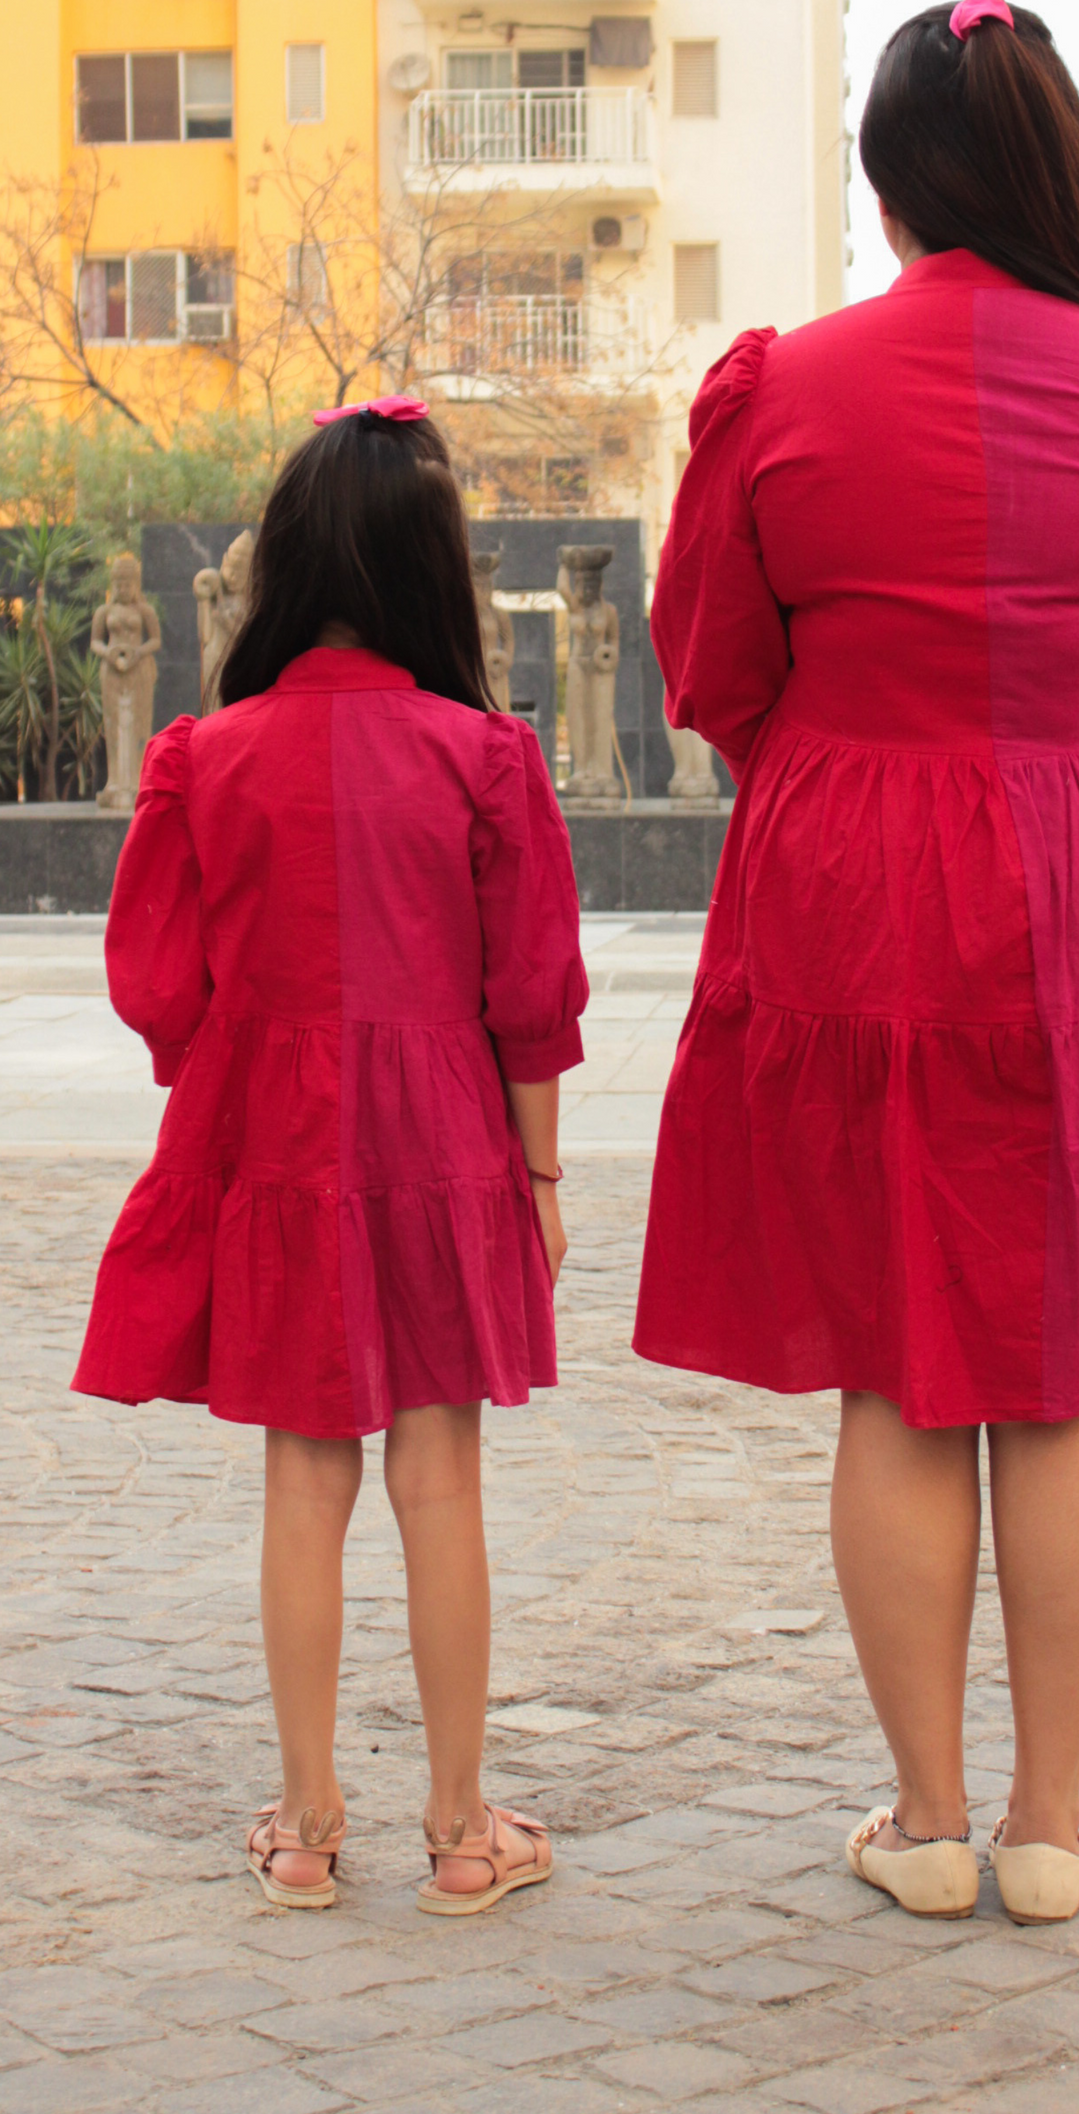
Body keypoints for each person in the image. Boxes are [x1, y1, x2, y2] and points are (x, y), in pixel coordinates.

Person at [634, 0, 1079, 1927]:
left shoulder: (780, 393)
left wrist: (856, 770)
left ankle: (923, 1827)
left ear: (887, 180)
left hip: (857, 879)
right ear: (1055, 162)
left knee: (900, 1364)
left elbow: (714, 670)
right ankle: (1052, 1828)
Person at [74, 396, 588, 1915]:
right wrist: (541, 1182)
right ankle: (457, 1828)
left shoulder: (204, 757)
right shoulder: (485, 756)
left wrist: (241, 1068)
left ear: (285, 563)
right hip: (445, 1146)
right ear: (439, 576)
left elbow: (161, 988)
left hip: (281, 1145)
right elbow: (533, 1000)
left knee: (304, 1478)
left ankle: (304, 1829)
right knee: (443, 1478)